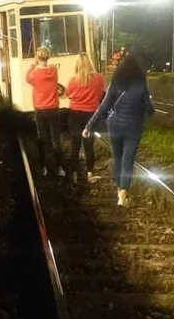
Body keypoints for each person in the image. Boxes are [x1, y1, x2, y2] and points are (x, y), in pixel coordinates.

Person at [82, 53, 154, 207]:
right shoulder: (141, 85)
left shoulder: (115, 84)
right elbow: (149, 108)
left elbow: (103, 107)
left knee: (117, 157)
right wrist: (146, 106)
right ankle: (123, 193)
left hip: (114, 124)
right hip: (133, 126)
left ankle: (118, 188)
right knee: (128, 160)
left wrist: (89, 125)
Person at [26, 46, 65, 177]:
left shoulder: (35, 73)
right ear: (48, 57)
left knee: (43, 138)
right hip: (53, 108)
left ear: (37, 57)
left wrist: (33, 66)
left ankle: (45, 167)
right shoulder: (54, 71)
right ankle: (59, 167)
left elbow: (27, 78)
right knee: (56, 138)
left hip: (40, 109)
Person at [66, 53, 105, 184]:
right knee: (89, 146)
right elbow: (100, 95)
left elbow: (68, 94)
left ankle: (74, 175)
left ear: (77, 65)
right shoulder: (99, 78)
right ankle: (90, 174)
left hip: (75, 114)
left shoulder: (72, 80)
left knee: (75, 145)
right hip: (91, 115)